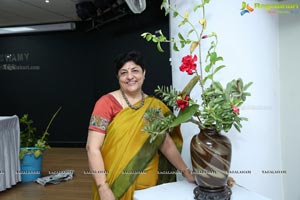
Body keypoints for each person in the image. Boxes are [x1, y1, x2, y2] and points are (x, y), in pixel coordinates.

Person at [86, 51, 195, 200]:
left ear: (144, 73)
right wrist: (103, 187)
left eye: (135, 70)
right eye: (123, 72)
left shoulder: (153, 106)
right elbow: (92, 148)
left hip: (149, 187)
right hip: (115, 182)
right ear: (118, 77)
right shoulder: (105, 104)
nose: (130, 76)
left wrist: (187, 173)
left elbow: (166, 143)